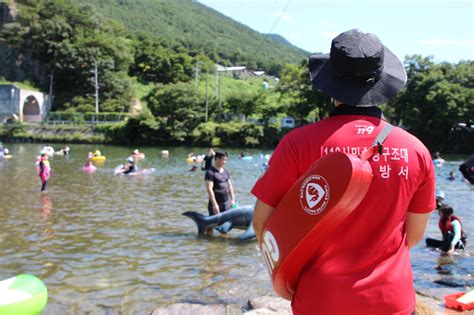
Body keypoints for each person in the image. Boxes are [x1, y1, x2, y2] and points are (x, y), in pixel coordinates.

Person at [251, 29, 436, 315]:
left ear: (331, 83)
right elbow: (413, 236)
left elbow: (263, 225)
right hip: (391, 301)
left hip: (321, 299)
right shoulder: (416, 150)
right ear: (382, 81)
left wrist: (285, 279)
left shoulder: (298, 144)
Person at [205, 151, 235, 216]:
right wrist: (214, 204)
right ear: (217, 159)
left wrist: (232, 200)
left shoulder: (225, 171)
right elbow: (209, 189)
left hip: (227, 203)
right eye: (223, 160)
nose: (225, 162)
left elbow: (230, 186)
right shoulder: (210, 172)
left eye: (226, 160)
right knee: (215, 225)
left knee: (227, 224)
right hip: (216, 204)